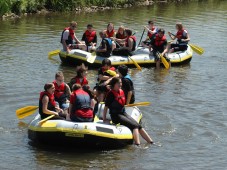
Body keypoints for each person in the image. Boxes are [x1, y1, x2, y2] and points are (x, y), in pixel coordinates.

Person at [102, 77, 153, 145]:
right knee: (134, 126)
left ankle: (151, 142)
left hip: (123, 113)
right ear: (114, 84)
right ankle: (138, 144)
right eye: (118, 83)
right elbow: (106, 107)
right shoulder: (111, 94)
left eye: (121, 82)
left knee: (138, 126)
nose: (120, 84)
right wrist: (104, 118)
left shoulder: (121, 91)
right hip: (116, 116)